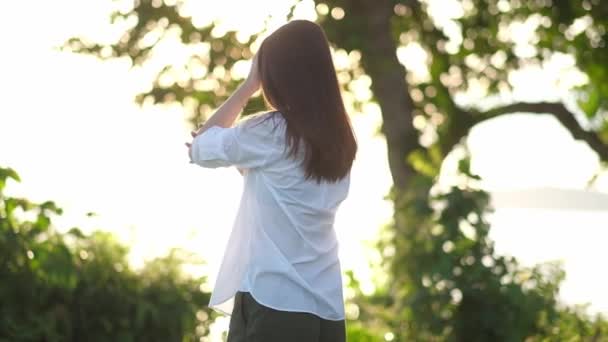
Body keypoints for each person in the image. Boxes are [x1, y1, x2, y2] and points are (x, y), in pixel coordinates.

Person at [186, 19, 357, 342]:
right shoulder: (342, 139)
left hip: (273, 301)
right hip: (328, 308)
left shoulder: (270, 132)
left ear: (277, 76)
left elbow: (200, 148)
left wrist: (250, 83)